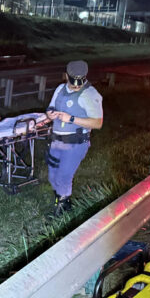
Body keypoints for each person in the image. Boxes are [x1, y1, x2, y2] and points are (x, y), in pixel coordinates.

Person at [45, 60, 103, 216]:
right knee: (53, 176)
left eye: (79, 83)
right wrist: (50, 113)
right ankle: (65, 200)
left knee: (64, 176)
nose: (76, 86)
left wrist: (71, 119)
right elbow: (50, 107)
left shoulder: (90, 94)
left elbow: (97, 123)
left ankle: (61, 209)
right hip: (56, 141)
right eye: (73, 83)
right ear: (66, 75)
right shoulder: (60, 89)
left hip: (76, 143)